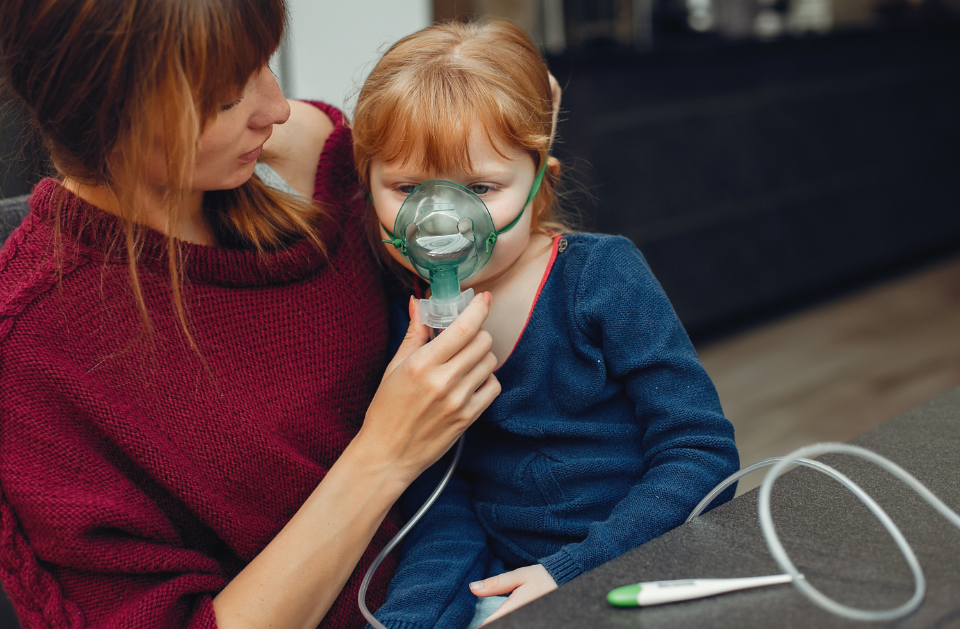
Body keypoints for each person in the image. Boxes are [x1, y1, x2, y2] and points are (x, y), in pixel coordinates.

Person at [0, 2, 501, 628]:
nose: (278, 108)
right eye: (228, 97)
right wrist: (385, 453)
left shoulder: (319, 162)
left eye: (264, 63)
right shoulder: (32, 352)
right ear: (105, 113)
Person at [352, 20, 741, 629]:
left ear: (540, 183)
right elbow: (443, 502)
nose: (443, 222)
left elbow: (700, 453)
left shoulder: (601, 278)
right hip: (509, 589)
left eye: (480, 186)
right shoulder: (409, 316)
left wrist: (574, 573)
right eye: (407, 188)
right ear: (368, 187)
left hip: (638, 567)